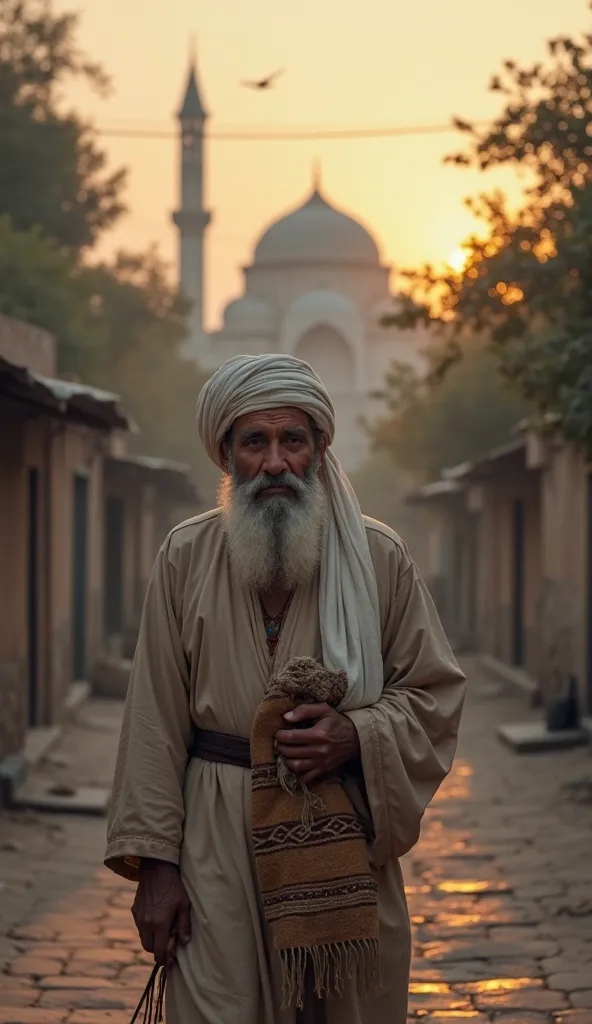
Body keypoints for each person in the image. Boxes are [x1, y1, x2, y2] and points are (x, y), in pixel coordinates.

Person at [105, 354, 466, 1024]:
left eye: (292, 440)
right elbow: (153, 716)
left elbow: (433, 693)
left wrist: (356, 733)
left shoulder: (379, 557)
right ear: (227, 456)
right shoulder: (185, 556)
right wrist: (156, 866)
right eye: (254, 442)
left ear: (320, 450)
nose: (274, 463)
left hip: (341, 843)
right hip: (214, 841)